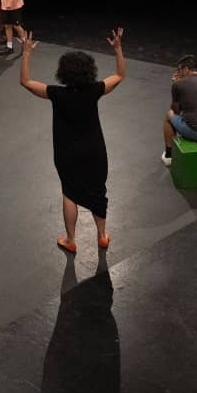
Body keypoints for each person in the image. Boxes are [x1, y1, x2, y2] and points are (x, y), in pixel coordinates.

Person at [19, 28, 125, 252]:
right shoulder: (94, 90)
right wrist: (117, 48)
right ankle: (102, 235)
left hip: (67, 153)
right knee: (98, 191)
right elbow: (119, 76)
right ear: (90, 71)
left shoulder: (56, 94)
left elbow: (26, 82)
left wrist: (26, 53)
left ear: (63, 72)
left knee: (69, 192)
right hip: (95, 151)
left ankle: (71, 240)